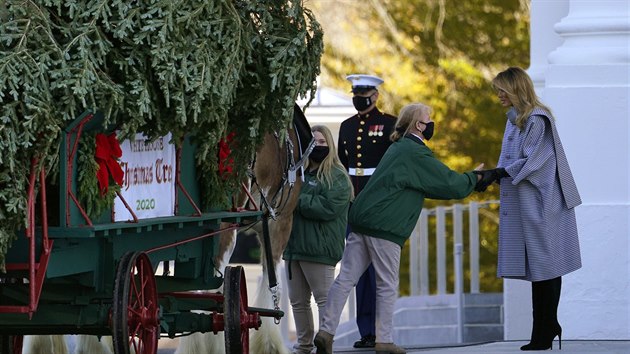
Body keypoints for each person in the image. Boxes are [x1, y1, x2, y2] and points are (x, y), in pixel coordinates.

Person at [315, 103, 482, 354]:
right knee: (386, 284)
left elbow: (429, 185)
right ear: (418, 125)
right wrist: (475, 178)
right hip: (385, 228)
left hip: (361, 220)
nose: (431, 123)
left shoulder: (397, 148)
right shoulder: (415, 152)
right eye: (428, 119)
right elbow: (449, 184)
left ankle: (326, 332)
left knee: (345, 279)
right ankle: (384, 341)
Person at [474, 67, 582, 351]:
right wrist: (495, 175)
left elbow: (534, 161)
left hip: (544, 203)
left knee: (546, 265)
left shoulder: (537, 119)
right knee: (539, 267)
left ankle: (544, 332)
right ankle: (546, 328)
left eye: (502, 90)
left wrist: (497, 174)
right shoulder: (514, 120)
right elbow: (512, 160)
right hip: (528, 202)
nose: (498, 95)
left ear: (516, 89)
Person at [337, 74, 397, 349]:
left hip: (380, 204)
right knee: (358, 271)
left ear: (375, 95)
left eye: (363, 93)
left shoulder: (389, 124)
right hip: (355, 204)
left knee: (379, 273)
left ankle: (381, 331)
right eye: (355, 93)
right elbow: (344, 162)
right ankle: (366, 331)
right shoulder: (347, 126)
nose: (358, 98)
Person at [282, 125, 353, 354]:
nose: (317, 146)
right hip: (294, 248)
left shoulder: (338, 176)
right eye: (313, 142)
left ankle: (325, 346)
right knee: (298, 302)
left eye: (322, 142)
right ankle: (303, 346)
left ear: (330, 145)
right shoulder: (298, 173)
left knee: (324, 300)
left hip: (319, 250)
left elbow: (327, 208)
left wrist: (297, 199)